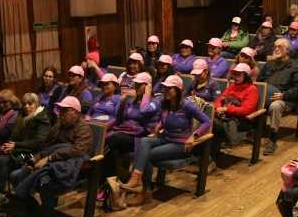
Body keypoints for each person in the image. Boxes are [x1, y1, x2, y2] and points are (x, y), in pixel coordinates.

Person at [108, 75, 211, 209]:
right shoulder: (164, 102)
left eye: (169, 88)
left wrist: (194, 135)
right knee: (144, 141)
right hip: (166, 138)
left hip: (180, 143)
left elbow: (206, 122)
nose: (166, 91)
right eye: (165, 88)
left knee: (147, 155)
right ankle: (137, 178)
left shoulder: (187, 105)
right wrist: (160, 124)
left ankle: (145, 191)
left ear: (178, 90)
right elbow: (165, 118)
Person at [11, 96, 93, 217]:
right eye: (60, 110)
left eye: (64, 111)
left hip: (69, 169)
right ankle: (34, 211)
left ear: (75, 112)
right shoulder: (58, 126)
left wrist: (49, 158)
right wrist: (36, 158)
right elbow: (46, 146)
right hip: (49, 162)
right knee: (15, 175)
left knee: (45, 182)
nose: (60, 114)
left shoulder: (84, 129)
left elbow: (77, 151)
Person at [0, 92, 52, 217]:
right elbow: (14, 136)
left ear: (36, 104)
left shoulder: (42, 119)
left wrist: (16, 145)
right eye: (25, 104)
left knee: (2, 161)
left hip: (32, 153)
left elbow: (39, 142)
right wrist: (9, 145)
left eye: (30, 104)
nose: (27, 107)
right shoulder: (22, 116)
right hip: (19, 150)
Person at [102, 72, 160, 188]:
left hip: (140, 137)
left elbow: (144, 110)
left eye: (140, 85)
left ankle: (108, 183)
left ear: (148, 86)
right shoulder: (132, 101)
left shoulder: (155, 102)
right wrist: (122, 103)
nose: (136, 87)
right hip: (126, 133)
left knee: (112, 140)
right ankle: (110, 182)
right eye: (135, 85)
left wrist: (146, 94)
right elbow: (119, 120)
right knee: (109, 145)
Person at [259, 38, 298, 155]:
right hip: (266, 96)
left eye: (280, 47)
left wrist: (284, 95)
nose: (276, 49)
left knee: (275, 106)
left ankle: (272, 139)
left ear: (287, 50)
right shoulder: (269, 65)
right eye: (275, 46)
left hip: (286, 100)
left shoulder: (295, 67)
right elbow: (259, 82)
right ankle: (249, 132)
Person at [210, 63, 260, 162]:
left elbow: (246, 110)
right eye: (234, 74)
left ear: (245, 76)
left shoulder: (252, 89)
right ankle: (207, 155)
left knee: (210, 124)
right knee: (206, 121)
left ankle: (209, 158)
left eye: (238, 75)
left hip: (241, 121)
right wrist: (219, 108)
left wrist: (226, 109)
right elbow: (220, 99)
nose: (235, 77)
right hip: (226, 117)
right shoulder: (233, 86)